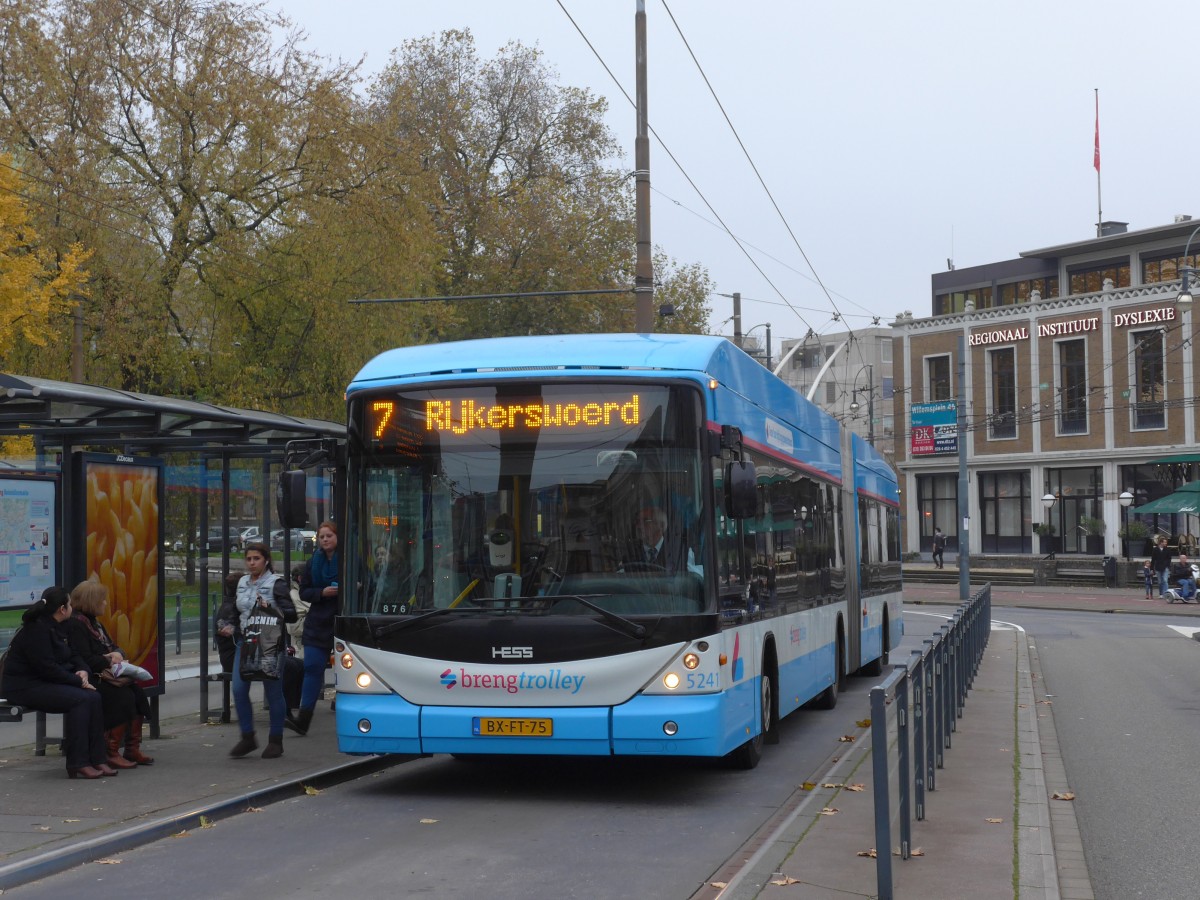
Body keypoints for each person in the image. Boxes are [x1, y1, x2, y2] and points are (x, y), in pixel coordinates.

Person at [0, 587, 116, 779]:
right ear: (62, 609)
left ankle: (97, 758)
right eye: (69, 604)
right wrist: (78, 681)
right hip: (24, 686)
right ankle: (78, 762)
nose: (71, 608)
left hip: (44, 682)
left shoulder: (61, 626)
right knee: (80, 699)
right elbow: (46, 668)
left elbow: (74, 654)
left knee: (94, 697)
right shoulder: (37, 630)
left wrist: (83, 671)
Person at [62, 580, 154, 768]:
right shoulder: (76, 625)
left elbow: (114, 647)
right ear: (92, 601)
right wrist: (109, 659)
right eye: (102, 600)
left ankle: (131, 748)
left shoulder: (94, 623)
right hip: (91, 677)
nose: (105, 603)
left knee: (137, 694)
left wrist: (118, 654)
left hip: (105, 674)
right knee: (122, 697)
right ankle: (110, 751)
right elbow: (84, 659)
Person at [230, 542, 297, 759]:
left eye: (256, 559)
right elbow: (235, 609)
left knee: (272, 690)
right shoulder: (241, 582)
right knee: (239, 689)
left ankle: (275, 740)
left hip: (270, 643)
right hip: (246, 641)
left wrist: (272, 608)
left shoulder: (276, 584)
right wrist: (226, 623)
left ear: (266, 560)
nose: (252, 563)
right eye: (249, 559)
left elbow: (291, 614)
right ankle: (247, 736)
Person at [287, 521, 339, 736]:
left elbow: (365, 585)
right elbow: (304, 592)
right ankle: (304, 718)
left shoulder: (349, 560)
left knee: (347, 671)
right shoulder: (313, 563)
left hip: (342, 619)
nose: (325, 539)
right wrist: (322, 593)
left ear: (338, 538)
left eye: (329, 535)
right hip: (318, 622)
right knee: (312, 668)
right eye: (322, 536)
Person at [625, 506, 702, 577]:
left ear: (661, 525)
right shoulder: (629, 552)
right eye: (637, 521)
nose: (639, 526)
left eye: (645, 521)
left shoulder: (681, 551)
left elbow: (693, 580)